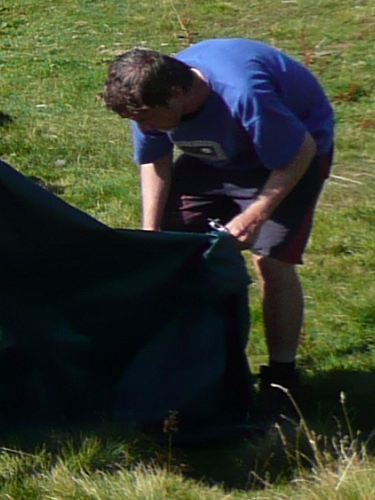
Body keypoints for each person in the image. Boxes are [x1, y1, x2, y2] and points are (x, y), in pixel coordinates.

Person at [100, 41, 334, 406]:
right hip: (216, 156)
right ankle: (200, 365)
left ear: (177, 94)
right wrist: (151, 232)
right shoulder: (148, 99)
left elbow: (299, 151)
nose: (143, 126)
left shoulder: (243, 94)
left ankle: (282, 378)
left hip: (290, 155)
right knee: (177, 248)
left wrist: (256, 213)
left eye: (147, 118)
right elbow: (155, 160)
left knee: (271, 261)